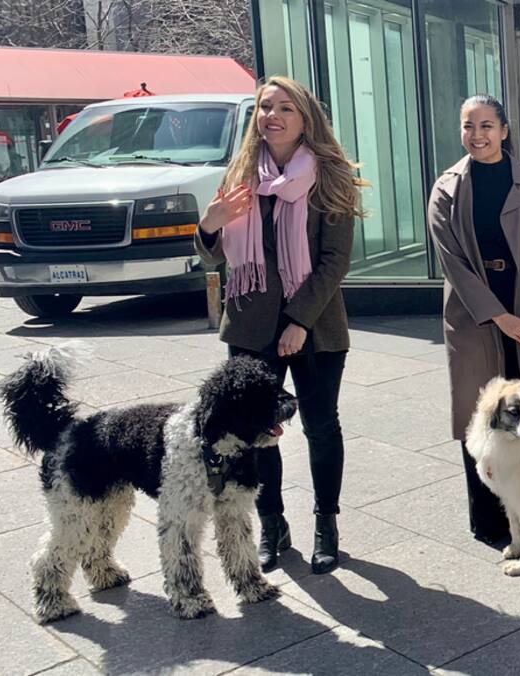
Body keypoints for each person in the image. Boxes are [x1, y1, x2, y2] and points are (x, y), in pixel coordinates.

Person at [196, 75, 364, 574]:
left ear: (305, 118)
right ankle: (273, 524)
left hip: (316, 325)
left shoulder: (330, 175)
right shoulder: (241, 173)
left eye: (285, 107)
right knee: (255, 430)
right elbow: (213, 256)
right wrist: (209, 223)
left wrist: (299, 321)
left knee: (320, 425)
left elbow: (335, 261)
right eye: (265, 107)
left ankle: (326, 525)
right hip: (250, 326)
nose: (273, 116)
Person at [427, 95, 520, 547]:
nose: (477, 135)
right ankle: (491, 521)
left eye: (487, 126)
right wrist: (498, 316)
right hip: (473, 316)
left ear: (504, 130)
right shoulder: (447, 188)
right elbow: (454, 265)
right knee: (481, 415)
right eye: (468, 126)